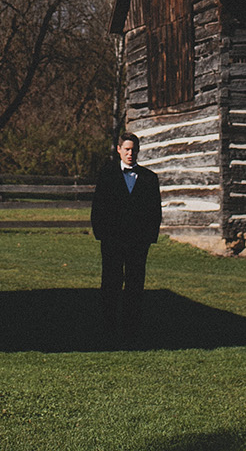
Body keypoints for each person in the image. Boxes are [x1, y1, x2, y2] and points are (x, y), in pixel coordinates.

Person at [91, 131, 162, 336]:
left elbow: (154, 211)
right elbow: (99, 207)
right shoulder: (107, 175)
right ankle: (109, 324)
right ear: (119, 150)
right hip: (112, 240)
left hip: (138, 243)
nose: (130, 154)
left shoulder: (149, 178)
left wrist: (148, 238)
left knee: (135, 283)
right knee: (111, 281)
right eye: (127, 149)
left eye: (134, 150)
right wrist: (102, 234)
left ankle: (132, 326)